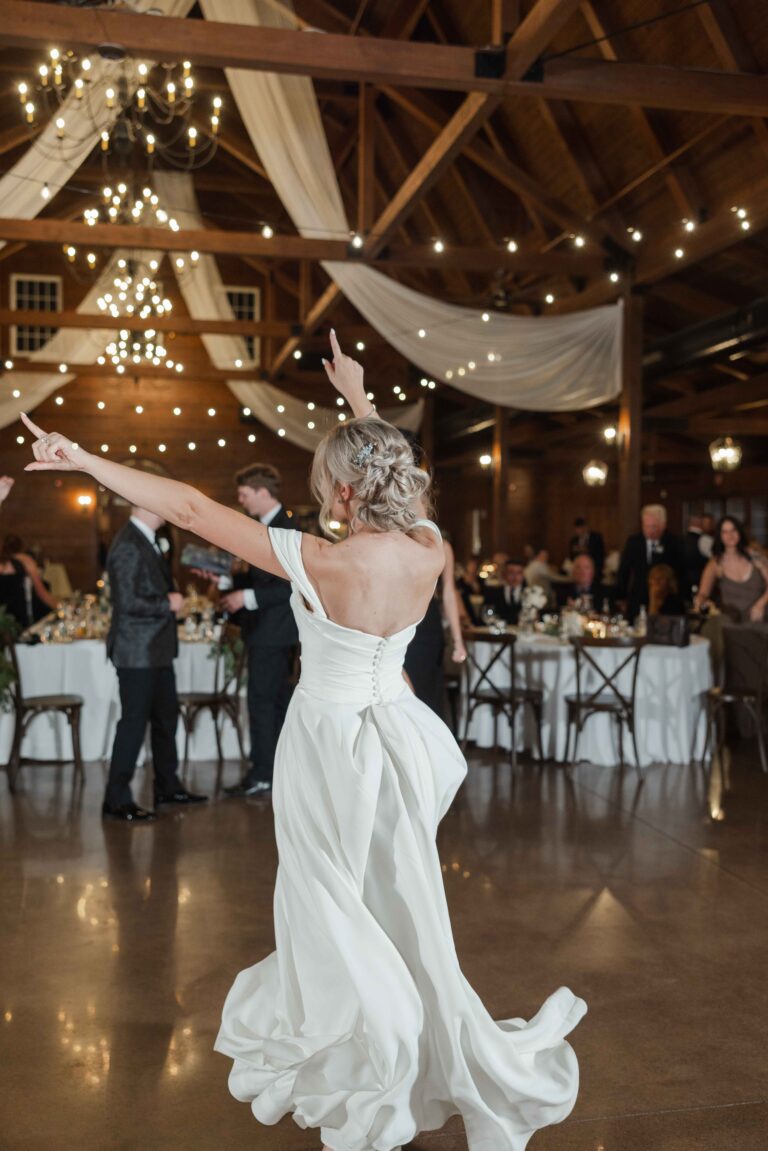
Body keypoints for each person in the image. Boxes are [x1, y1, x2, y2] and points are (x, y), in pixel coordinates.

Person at [21, 330, 585, 1151]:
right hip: (398, 743)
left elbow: (185, 507)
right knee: (401, 902)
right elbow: (401, 477)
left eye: (330, 481)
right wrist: (358, 399)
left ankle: (379, 1048)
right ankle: (400, 1039)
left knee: (329, 903)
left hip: (326, 750)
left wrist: (86, 460)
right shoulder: (429, 547)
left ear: (347, 492)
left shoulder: (320, 561)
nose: (324, 494)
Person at [102, 507, 208, 822]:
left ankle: (167, 786)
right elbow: (126, 602)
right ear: (140, 505)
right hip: (136, 651)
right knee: (134, 723)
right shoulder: (128, 544)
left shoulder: (148, 539)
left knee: (166, 719)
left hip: (156, 649)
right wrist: (168, 603)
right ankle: (116, 799)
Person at [219, 463, 298, 798]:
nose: (241, 500)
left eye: (245, 494)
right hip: (266, 631)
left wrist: (246, 596)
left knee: (264, 704)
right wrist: (227, 581)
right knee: (271, 703)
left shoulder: (286, 529)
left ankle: (264, 773)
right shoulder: (261, 528)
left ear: (263, 493)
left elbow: (293, 585)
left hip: (276, 632)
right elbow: (257, 579)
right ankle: (275, 771)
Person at [616, 504, 688, 622]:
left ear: (663, 525)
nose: (649, 531)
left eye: (654, 527)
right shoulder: (634, 542)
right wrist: (620, 597)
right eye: (646, 526)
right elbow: (624, 571)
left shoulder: (675, 543)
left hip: (667, 602)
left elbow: (681, 574)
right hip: (638, 600)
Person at [694, 515, 768, 623]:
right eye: (725, 532)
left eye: (734, 530)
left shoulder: (755, 557)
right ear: (720, 536)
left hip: (760, 619)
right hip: (731, 623)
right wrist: (702, 602)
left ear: (739, 533)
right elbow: (703, 594)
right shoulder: (715, 564)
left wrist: (760, 604)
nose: (730, 535)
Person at [2, 533, 59, 621]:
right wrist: (61, 608)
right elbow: (43, 594)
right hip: (18, 618)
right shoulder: (25, 560)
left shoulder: (11, 563)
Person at [484, 558, 527, 624]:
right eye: (511, 572)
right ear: (504, 574)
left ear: (523, 575)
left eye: (519, 573)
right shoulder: (493, 593)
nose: (515, 576)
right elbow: (486, 614)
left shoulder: (530, 593)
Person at [568, 516, 605, 581]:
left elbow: (600, 554)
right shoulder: (574, 541)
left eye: (581, 528)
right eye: (577, 529)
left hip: (595, 571)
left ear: (585, 527)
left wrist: (586, 550)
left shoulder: (596, 538)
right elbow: (571, 557)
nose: (579, 531)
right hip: (579, 572)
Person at [684, 513, 709, 593]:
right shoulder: (705, 540)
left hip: (684, 583)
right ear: (701, 523)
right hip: (702, 583)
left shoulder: (679, 539)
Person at [456, 555, 483, 623]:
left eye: (475, 566)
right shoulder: (459, 583)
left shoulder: (481, 582)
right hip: (465, 618)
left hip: (480, 618)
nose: (473, 568)